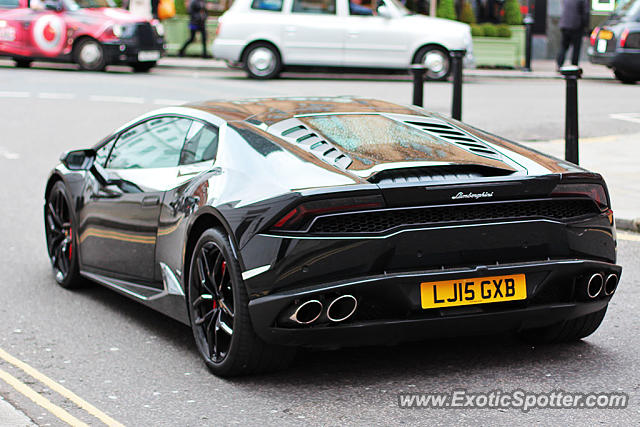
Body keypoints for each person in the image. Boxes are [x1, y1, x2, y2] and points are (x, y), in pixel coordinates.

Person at [556, 0, 590, 69]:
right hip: (576, 25)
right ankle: (574, 66)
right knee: (576, 48)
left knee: (564, 46)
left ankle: (559, 64)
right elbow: (586, 12)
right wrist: (586, 26)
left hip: (565, 24)